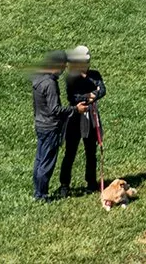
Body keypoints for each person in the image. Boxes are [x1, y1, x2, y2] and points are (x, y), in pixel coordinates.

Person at [31, 51, 79, 202]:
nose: (64, 69)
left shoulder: (38, 80)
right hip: (50, 127)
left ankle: (37, 191)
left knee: (39, 160)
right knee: (47, 162)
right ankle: (42, 195)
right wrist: (76, 109)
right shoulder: (50, 84)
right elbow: (55, 110)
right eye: (64, 66)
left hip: (40, 124)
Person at [59, 44, 107, 195]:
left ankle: (91, 182)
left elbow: (102, 90)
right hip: (75, 117)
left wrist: (91, 95)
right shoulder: (72, 77)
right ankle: (65, 184)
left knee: (90, 151)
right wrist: (91, 95)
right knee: (70, 152)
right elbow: (72, 97)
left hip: (91, 117)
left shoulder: (95, 75)